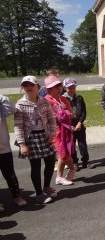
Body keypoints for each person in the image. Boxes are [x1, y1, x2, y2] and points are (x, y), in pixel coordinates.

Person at [14, 76, 58, 204]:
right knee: (36, 166)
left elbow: (51, 119)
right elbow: (18, 126)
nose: (28, 87)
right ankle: (39, 193)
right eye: (25, 85)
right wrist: (22, 144)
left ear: (37, 87)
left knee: (50, 162)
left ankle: (46, 187)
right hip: (31, 138)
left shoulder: (44, 101)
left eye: (31, 85)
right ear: (22, 88)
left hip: (45, 136)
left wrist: (52, 133)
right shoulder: (20, 104)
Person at [45, 75, 77, 185]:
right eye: (56, 86)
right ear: (49, 89)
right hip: (55, 132)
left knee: (63, 154)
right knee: (63, 154)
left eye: (59, 86)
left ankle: (59, 177)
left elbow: (73, 114)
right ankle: (73, 168)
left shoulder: (63, 99)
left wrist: (64, 115)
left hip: (66, 131)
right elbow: (48, 117)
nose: (59, 88)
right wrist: (63, 114)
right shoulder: (46, 101)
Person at [0, 94, 27, 209]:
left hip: (3, 149)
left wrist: (0, 97)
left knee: (10, 174)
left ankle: (16, 196)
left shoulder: (1, 109)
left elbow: (12, 110)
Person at [62, 78, 90, 169]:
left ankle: (85, 160)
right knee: (72, 146)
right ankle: (74, 162)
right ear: (65, 88)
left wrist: (80, 123)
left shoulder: (79, 98)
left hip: (79, 125)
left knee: (82, 144)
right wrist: (69, 125)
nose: (71, 89)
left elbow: (83, 112)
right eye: (69, 88)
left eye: (73, 87)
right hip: (69, 127)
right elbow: (61, 115)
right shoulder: (62, 99)